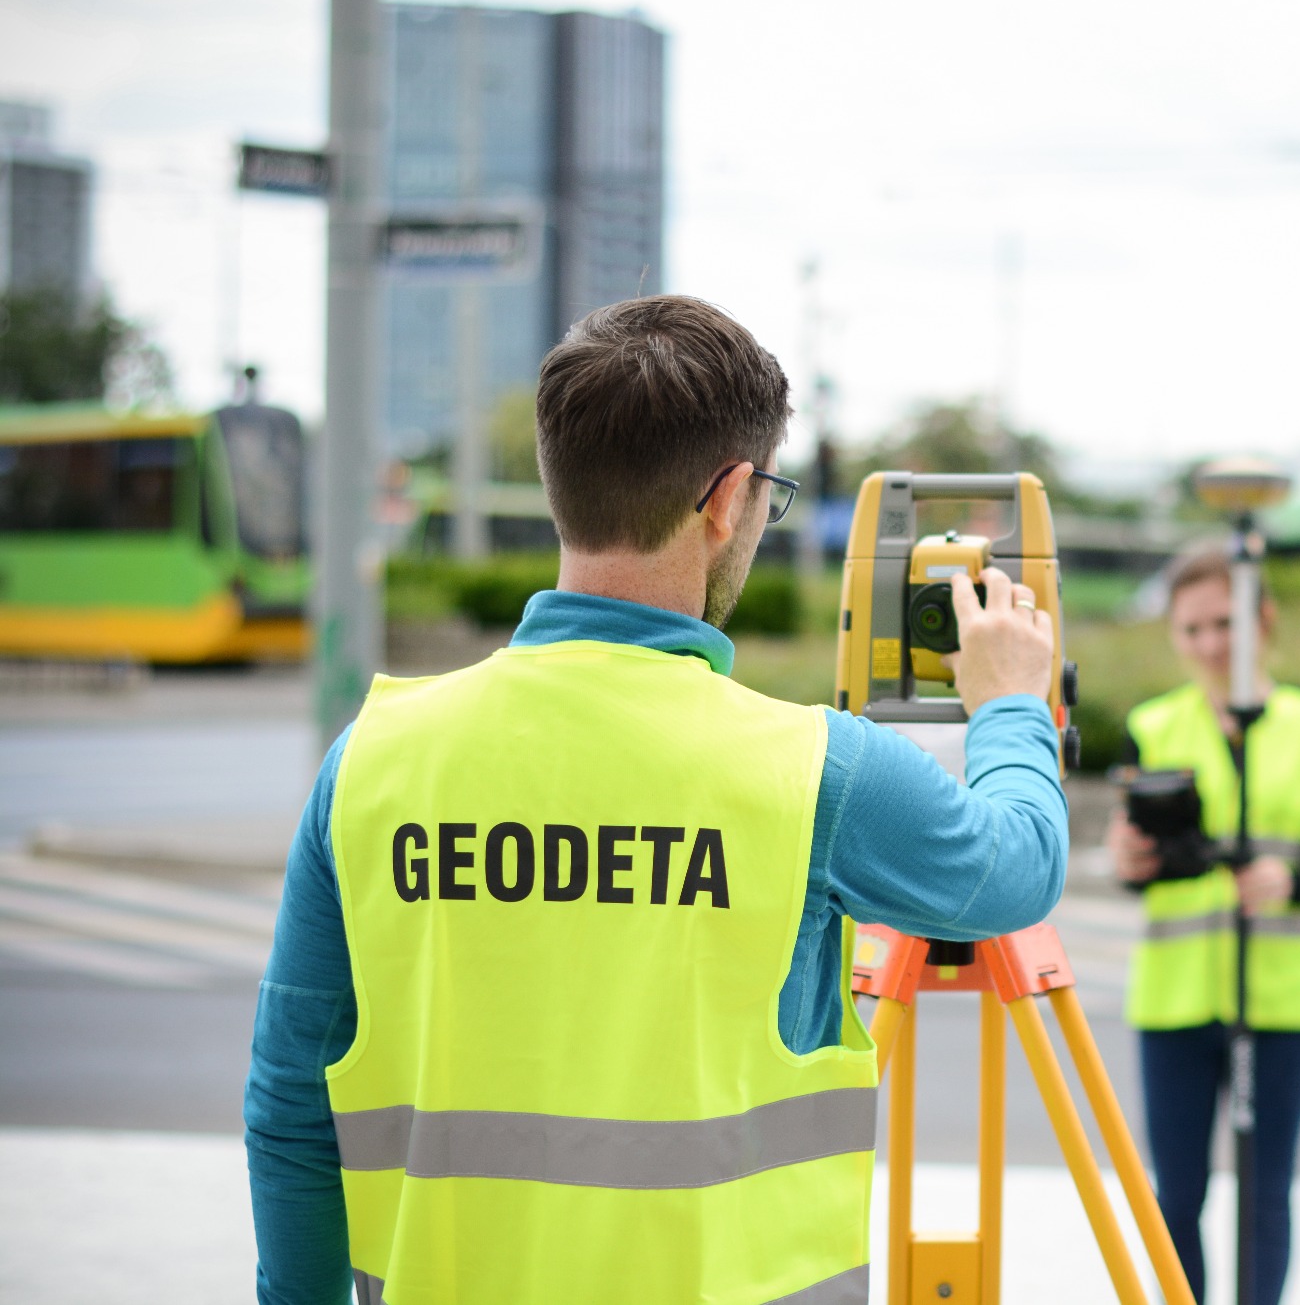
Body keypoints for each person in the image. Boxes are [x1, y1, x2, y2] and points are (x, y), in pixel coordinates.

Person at [244, 295, 1069, 1305]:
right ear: (728, 497)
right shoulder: (815, 773)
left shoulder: (373, 761)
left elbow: (290, 1104)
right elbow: (1017, 867)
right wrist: (1010, 707)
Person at [1106, 548, 1300, 1305]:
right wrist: (1125, 859)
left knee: (1266, 1193)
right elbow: (1137, 870)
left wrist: (1291, 880)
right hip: (1173, 1001)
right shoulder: (1149, 728)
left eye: (1226, 623)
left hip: (1282, 1003)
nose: (1211, 643)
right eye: (1192, 629)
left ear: (1262, 621)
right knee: (1177, 1196)